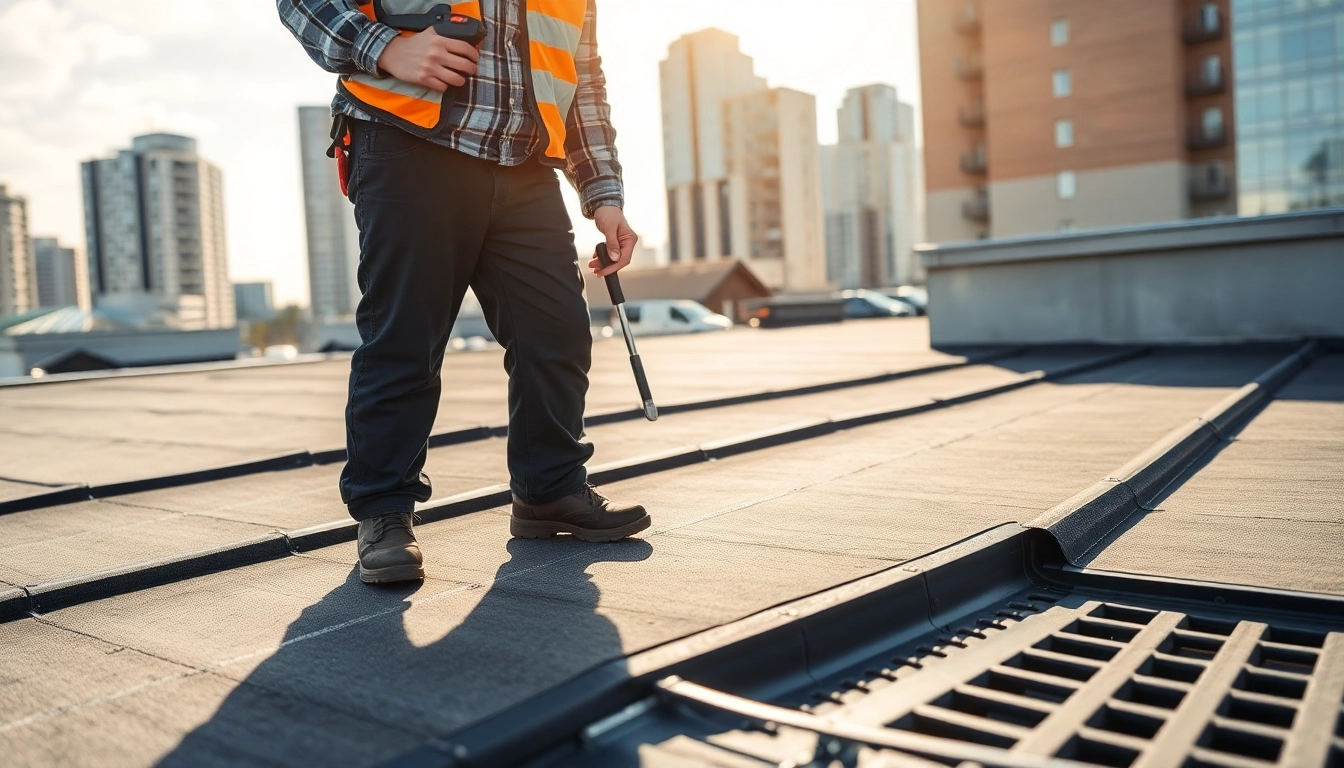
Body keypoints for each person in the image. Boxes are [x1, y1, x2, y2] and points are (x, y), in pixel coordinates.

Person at [278, 0, 650, 585]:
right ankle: (383, 513)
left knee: (556, 332)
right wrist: (384, 48)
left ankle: (548, 491)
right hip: (407, 144)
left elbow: (583, 78)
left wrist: (604, 195)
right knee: (406, 337)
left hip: (525, 163)